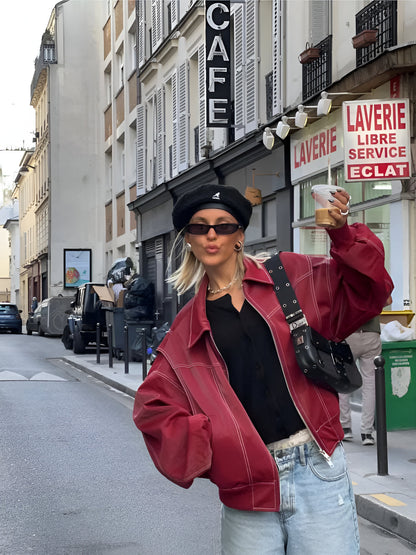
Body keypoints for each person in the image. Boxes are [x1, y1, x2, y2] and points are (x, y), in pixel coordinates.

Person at [133, 184, 393, 555]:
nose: (211, 234)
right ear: (187, 240)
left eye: (223, 226)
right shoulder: (186, 329)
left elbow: (367, 291)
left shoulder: (287, 275)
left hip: (317, 466)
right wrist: (218, 445)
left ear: (239, 235)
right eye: (199, 227)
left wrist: (342, 233)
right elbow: (152, 407)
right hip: (248, 486)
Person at [340, 296, 392, 446]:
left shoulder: (343, 275)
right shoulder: (374, 276)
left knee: (344, 382)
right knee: (370, 383)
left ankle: (345, 427)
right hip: (371, 333)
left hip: (347, 333)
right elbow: (387, 300)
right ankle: (367, 432)